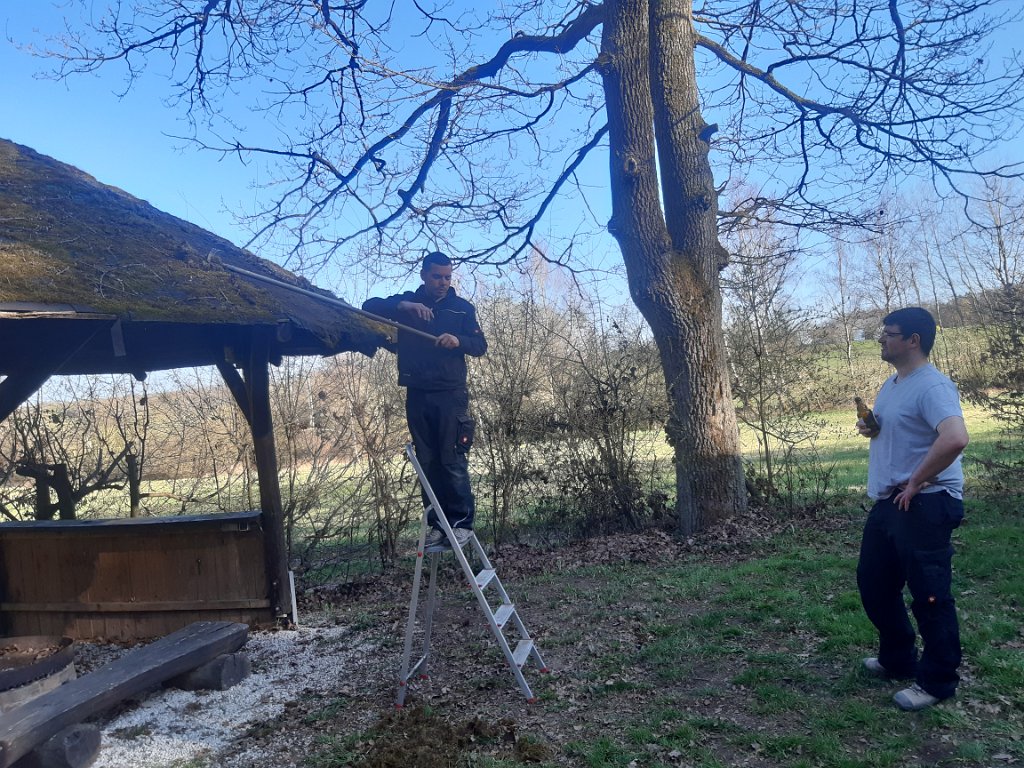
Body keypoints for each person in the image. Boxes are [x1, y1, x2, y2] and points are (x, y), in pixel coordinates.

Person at [855, 306, 970, 711]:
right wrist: (871, 427)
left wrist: (918, 479)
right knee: (874, 584)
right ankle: (898, 658)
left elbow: (955, 437)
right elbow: (904, 431)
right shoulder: (892, 384)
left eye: (888, 333)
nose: (881, 339)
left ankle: (937, 681)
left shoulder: (932, 386)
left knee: (930, 596)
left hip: (927, 502)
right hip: (892, 501)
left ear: (912, 341)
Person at [362, 252, 487, 549]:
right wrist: (403, 306)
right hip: (417, 391)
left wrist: (458, 341)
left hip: (450, 393)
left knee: (451, 460)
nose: (443, 282)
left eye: (447, 277)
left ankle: (460, 524)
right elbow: (368, 307)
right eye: (437, 276)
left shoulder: (461, 309)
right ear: (424, 275)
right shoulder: (408, 304)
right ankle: (437, 524)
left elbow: (480, 345)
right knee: (427, 462)